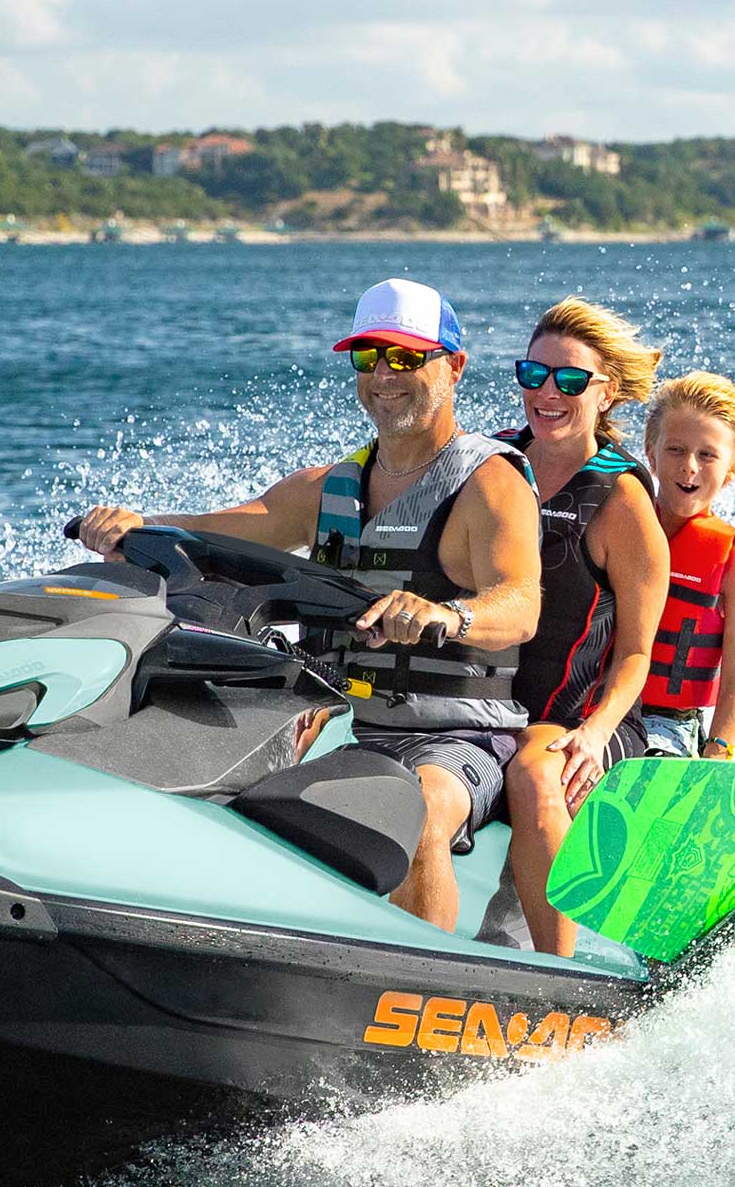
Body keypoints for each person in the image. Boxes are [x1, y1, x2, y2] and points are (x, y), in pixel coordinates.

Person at [68, 279, 538, 934]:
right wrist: (131, 529)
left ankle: (416, 991)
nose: (383, 375)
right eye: (367, 356)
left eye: (405, 357)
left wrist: (446, 615)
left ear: (454, 366)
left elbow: (520, 605)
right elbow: (219, 529)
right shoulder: (328, 486)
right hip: (340, 717)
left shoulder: (490, 481)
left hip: (453, 733)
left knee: (417, 811)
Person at [485, 299, 669, 957]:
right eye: (532, 375)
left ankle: (553, 975)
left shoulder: (620, 498)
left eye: (568, 381)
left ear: (605, 392)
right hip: (480, 709)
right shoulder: (487, 465)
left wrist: (592, 736)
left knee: (538, 771)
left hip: (588, 721)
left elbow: (637, 652)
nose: (545, 393)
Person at [632, 373, 735, 761]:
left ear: (734, 466)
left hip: (671, 725)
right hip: (592, 707)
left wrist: (718, 751)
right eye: (675, 450)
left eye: (707, 455)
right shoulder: (619, 523)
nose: (689, 466)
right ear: (651, 454)